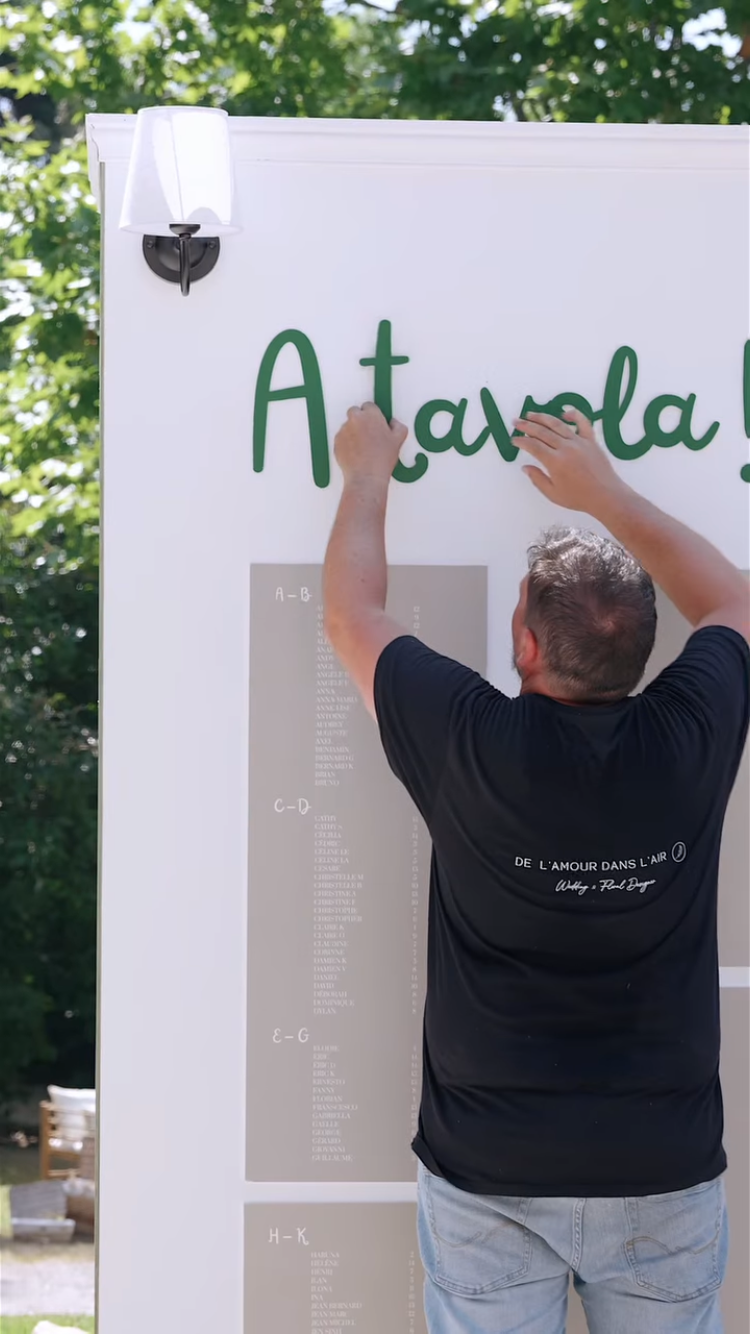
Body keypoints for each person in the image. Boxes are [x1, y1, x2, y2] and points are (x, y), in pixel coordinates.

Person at [322, 402, 750, 1334]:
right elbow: (738, 604)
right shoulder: (691, 736)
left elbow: (352, 614)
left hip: (490, 1174)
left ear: (524, 643)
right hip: (662, 1170)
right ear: (644, 647)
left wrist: (366, 477)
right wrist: (610, 495)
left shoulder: (470, 740)